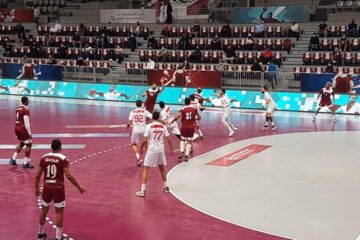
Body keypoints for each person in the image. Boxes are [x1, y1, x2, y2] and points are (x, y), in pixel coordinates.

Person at [35, 139, 85, 240]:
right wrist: (79, 187)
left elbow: (38, 175)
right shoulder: (63, 159)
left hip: (47, 187)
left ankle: (40, 234)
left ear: (51, 147)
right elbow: (69, 176)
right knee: (59, 212)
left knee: (44, 210)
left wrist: (36, 188)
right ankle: (58, 237)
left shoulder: (44, 158)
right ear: (60, 147)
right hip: (58, 188)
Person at [134, 111, 173, 197]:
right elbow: (169, 139)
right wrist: (171, 149)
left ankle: (143, 190)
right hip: (160, 150)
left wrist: (141, 148)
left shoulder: (148, 126)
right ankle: (166, 187)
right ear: (159, 117)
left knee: (146, 168)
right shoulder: (163, 126)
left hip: (152, 150)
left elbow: (144, 140)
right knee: (162, 168)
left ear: (152, 117)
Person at [172, 97, 201, 162]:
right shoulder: (194, 109)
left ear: (184, 102)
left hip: (184, 127)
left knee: (182, 139)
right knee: (189, 141)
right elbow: (199, 117)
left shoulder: (183, 108)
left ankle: (182, 151)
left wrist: (173, 120)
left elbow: (178, 116)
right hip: (191, 127)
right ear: (190, 102)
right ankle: (187, 155)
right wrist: (194, 119)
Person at [9, 96, 34, 169]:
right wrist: (29, 133)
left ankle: (13, 159)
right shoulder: (26, 109)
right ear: (26, 101)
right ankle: (25, 163)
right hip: (23, 128)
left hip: (16, 127)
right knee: (29, 144)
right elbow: (26, 122)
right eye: (28, 101)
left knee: (22, 143)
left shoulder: (17, 108)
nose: (28, 102)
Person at [127, 100, 153, 166]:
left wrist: (127, 126)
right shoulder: (144, 111)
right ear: (141, 104)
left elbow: (129, 122)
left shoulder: (132, 112)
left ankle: (138, 158)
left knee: (133, 144)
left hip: (135, 130)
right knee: (146, 143)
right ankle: (147, 159)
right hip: (143, 129)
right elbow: (152, 117)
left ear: (136, 104)